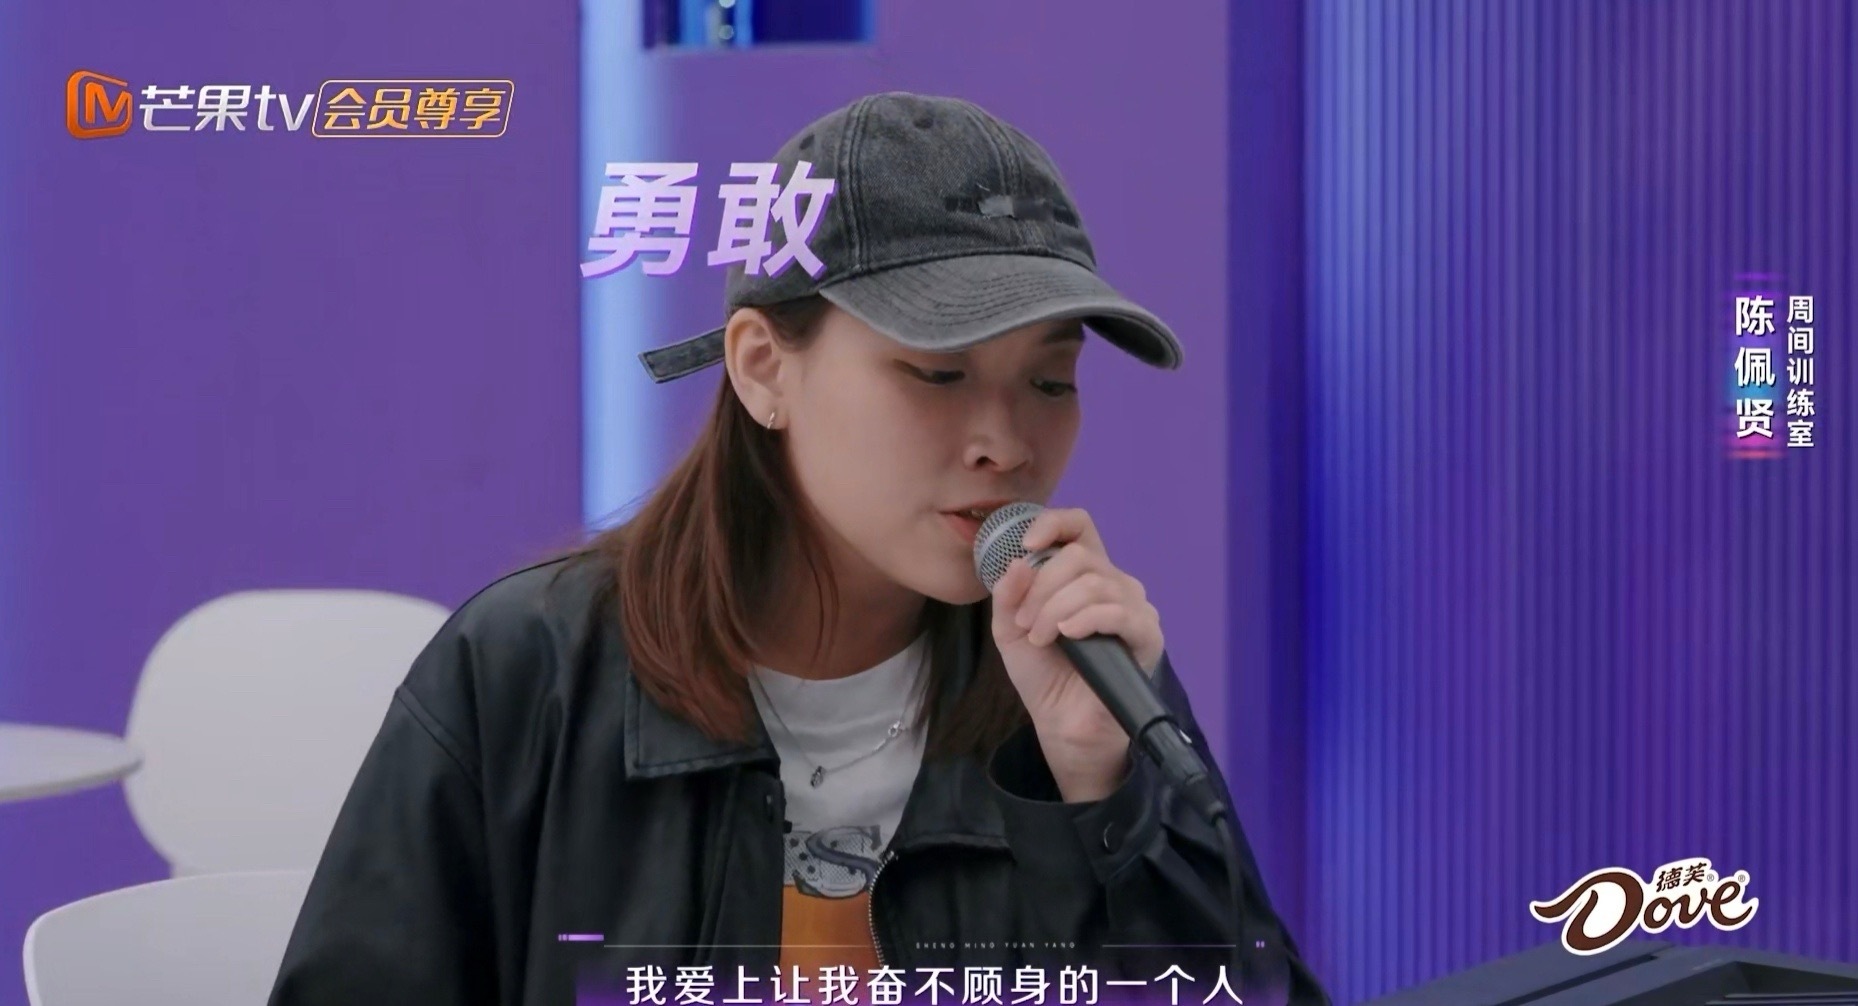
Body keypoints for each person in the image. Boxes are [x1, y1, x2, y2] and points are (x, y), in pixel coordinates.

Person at [268, 91, 1330, 1006]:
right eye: (939, 372)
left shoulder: (1079, 668)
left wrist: (1102, 799)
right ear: (764, 368)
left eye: (1051, 381)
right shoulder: (528, 670)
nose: (1006, 443)